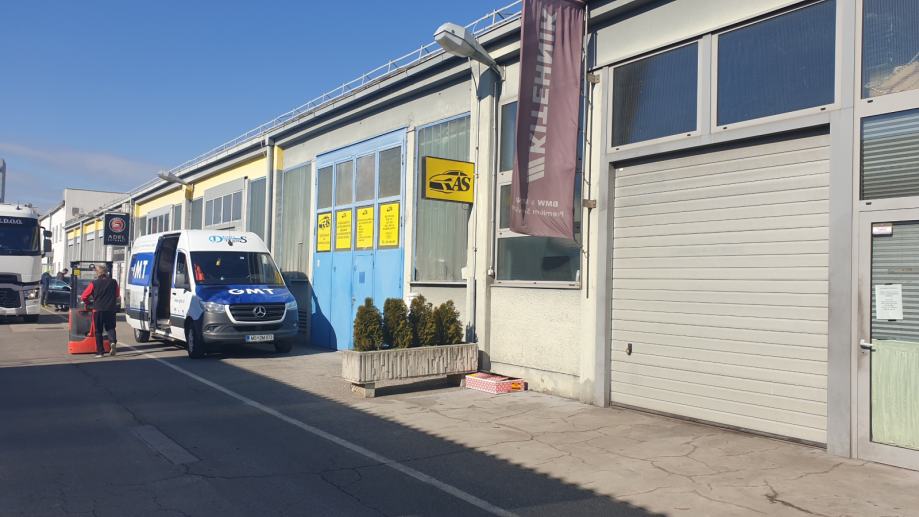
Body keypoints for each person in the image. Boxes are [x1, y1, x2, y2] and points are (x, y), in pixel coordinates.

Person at [80, 265, 120, 358]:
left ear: (98, 273)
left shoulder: (94, 283)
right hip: (110, 309)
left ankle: (100, 352)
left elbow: (84, 296)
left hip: (98, 310)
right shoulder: (114, 282)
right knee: (110, 328)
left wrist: (89, 303)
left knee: (98, 331)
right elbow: (117, 295)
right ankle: (112, 342)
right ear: (106, 272)